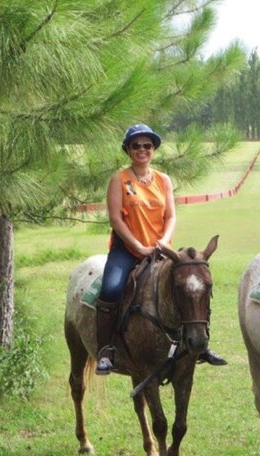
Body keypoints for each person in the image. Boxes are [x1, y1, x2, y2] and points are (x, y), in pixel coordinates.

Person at [95, 123, 227, 375]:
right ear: (128, 150)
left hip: (160, 249)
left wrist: (163, 243)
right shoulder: (119, 180)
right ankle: (106, 350)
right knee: (111, 288)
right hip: (127, 250)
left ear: (153, 149)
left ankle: (200, 345)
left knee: (191, 284)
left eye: (147, 145)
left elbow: (171, 217)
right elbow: (115, 219)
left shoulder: (163, 180)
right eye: (136, 146)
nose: (142, 150)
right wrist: (139, 247)